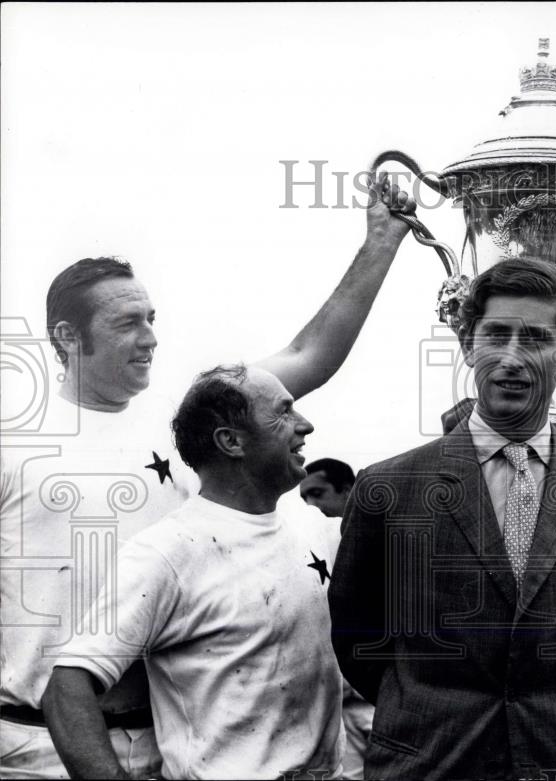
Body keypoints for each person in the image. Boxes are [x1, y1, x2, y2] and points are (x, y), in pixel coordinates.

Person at [0, 176, 415, 778]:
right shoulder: (14, 442)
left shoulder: (188, 412)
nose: (151, 338)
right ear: (67, 337)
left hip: (174, 739)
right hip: (33, 745)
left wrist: (381, 243)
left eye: (151, 317)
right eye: (127, 323)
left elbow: (309, 357)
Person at [330, 258, 556, 780]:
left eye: (534, 339)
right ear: (467, 347)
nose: (511, 358)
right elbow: (357, 638)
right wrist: (431, 711)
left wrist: (550, 708)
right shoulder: (387, 488)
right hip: (429, 762)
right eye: (496, 335)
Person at [41, 365, 342, 779]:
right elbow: (66, 688)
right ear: (231, 441)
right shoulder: (166, 552)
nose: (305, 426)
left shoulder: (311, 524)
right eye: (283, 412)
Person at [298, 456, 370, 780]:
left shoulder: (384, 541)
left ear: (347, 490)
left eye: (318, 493)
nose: (311, 505)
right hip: (335, 711)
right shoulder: (308, 550)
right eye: (304, 498)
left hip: (380, 701)